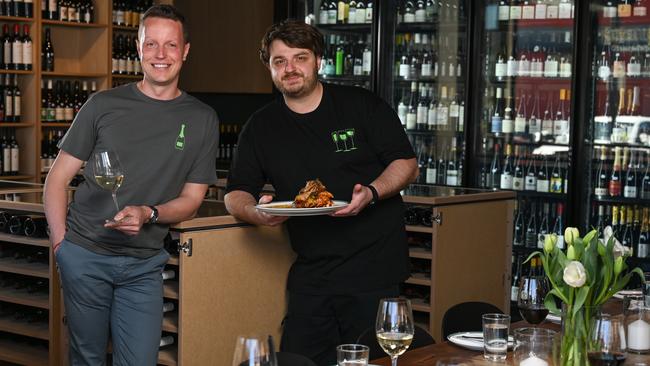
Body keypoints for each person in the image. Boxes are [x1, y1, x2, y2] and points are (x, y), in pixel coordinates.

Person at [224, 20, 418, 366]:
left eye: (300, 57)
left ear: (318, 61)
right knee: (299, 360)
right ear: (269, 67)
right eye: (279, 61)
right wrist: (255, 212)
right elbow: (236, 192)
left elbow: (406, 164)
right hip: (311, 276)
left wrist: (371, 193)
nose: (290, 68)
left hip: (373, 272)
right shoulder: (261, 126)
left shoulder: (361, 105)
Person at [43, 5, 219, 365]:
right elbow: (57, 179)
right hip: (85, 255)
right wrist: (62, 245)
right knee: (87, 357)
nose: (160, 54)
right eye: (151, 44)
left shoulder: (202, 119)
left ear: (185, 51)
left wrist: (149, 213)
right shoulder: (102, 105)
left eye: (170, 45)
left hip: (143, 264)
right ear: (138, 49)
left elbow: (191, 199)